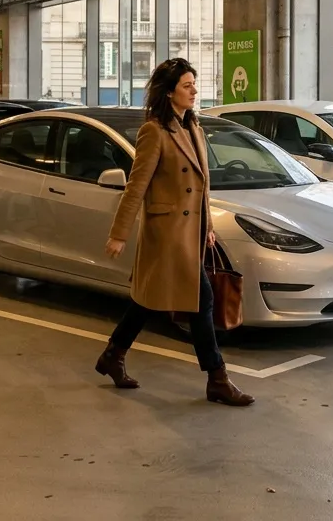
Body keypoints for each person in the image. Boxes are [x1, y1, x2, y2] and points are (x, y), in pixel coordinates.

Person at [97, 58, 253, 407]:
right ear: (169, 93)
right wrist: (119, 233)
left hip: (190, 231)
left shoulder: (193, 126)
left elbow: (202, 186)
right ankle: (218, 379)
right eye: (187, 85)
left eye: (194, 84)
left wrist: (208, 227)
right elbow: (136, 185)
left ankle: (113, 355)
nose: (194, 90)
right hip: (167, 233)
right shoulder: (154, 131)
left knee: (146, 301)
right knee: (202, 301)